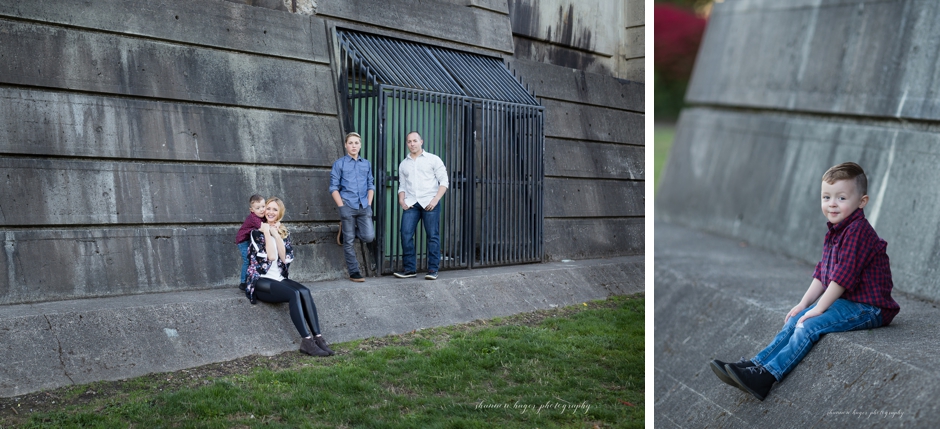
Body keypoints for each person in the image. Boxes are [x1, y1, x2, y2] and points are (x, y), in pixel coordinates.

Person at [709, 162, 899, 401]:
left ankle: (766, 376)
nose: (832, 203)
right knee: (797, 318)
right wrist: (803, 304)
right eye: (826, 197)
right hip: (849, 300)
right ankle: (756, 365)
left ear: (862, 201)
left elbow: (842, 277)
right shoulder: (837, 229)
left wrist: (818, 309)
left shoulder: (858, 231)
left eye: (841, 198)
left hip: (870, 307)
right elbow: (824, 272)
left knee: (810, 325)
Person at [246, 197, 334, 357]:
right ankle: (306, 341)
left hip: (278, 278)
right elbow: (272, 257)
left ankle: (318, 338)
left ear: (280, 213)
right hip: (260, 282)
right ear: (263, 210)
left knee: (305, 292)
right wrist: (267, 232)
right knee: (294, 294)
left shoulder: (284, 232)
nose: (271, 212)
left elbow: (284, 258)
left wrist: (277, 235)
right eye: (268, 208)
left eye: (275, 209)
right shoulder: (255, 233)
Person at [393, 131, 449, 280]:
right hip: (411, 204)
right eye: (409, 141)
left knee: (432, 236)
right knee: (405, 234)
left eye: (415, 141)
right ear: (407, 144)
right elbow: (402, 185)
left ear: (421, 142)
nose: (412, 144)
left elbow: (444, 181)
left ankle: (432, 269)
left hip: (430, 202)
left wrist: (436, 199)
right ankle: (410, 269)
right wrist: (401, 200)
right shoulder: (404, 164)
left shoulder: (433, 159)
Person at [329, 132, 376, 282]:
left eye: (356, 143)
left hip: (363, 205)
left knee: (369, 236)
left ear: (360, 145)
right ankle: (354, 271)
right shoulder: (339, 164)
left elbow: (370, 185)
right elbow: (333, 188)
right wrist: (342, 207)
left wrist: (369, 204)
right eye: (351, 143)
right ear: (345, 145)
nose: (354, 145)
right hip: (347, 205)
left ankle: (344, 230)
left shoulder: (366, 164)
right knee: (348, 241)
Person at [235, 194, 266, 291]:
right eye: (258, 208)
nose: (261, 210)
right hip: (243, 241)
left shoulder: (262, 216)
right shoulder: (253, 218)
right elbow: (263, 228)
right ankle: (243, 282)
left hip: (251, 240)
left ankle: (253, 279)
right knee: (247, 261)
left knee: (254, 260)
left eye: (263, 206)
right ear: (252, 210)